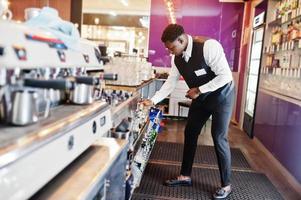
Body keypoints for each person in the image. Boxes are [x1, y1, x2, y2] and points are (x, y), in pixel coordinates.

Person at [142, 24, 235, 199]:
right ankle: (185, 176)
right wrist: (152, 100)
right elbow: (170, 83)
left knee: (218, 137)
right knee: (190, 131)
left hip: (223, 95)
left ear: (181, 39)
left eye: (172, 47)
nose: (170, 52)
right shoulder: (177, 58)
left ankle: (226, 184)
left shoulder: (209, 46)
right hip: (201, 97)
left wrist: (198, 90)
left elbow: (225, 76)